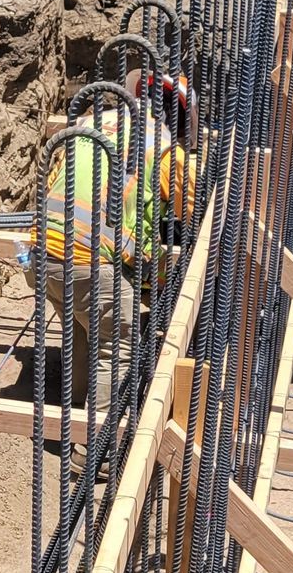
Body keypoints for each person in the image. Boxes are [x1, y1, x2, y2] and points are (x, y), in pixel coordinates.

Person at [24, 73, 199, 401]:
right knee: (118, 344)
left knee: (82, 330)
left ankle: (74, 409)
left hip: (40, 255)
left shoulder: (90, 124)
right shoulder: (164, 149)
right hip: (88, 262)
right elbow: (199, 218)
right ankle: (93, 447)